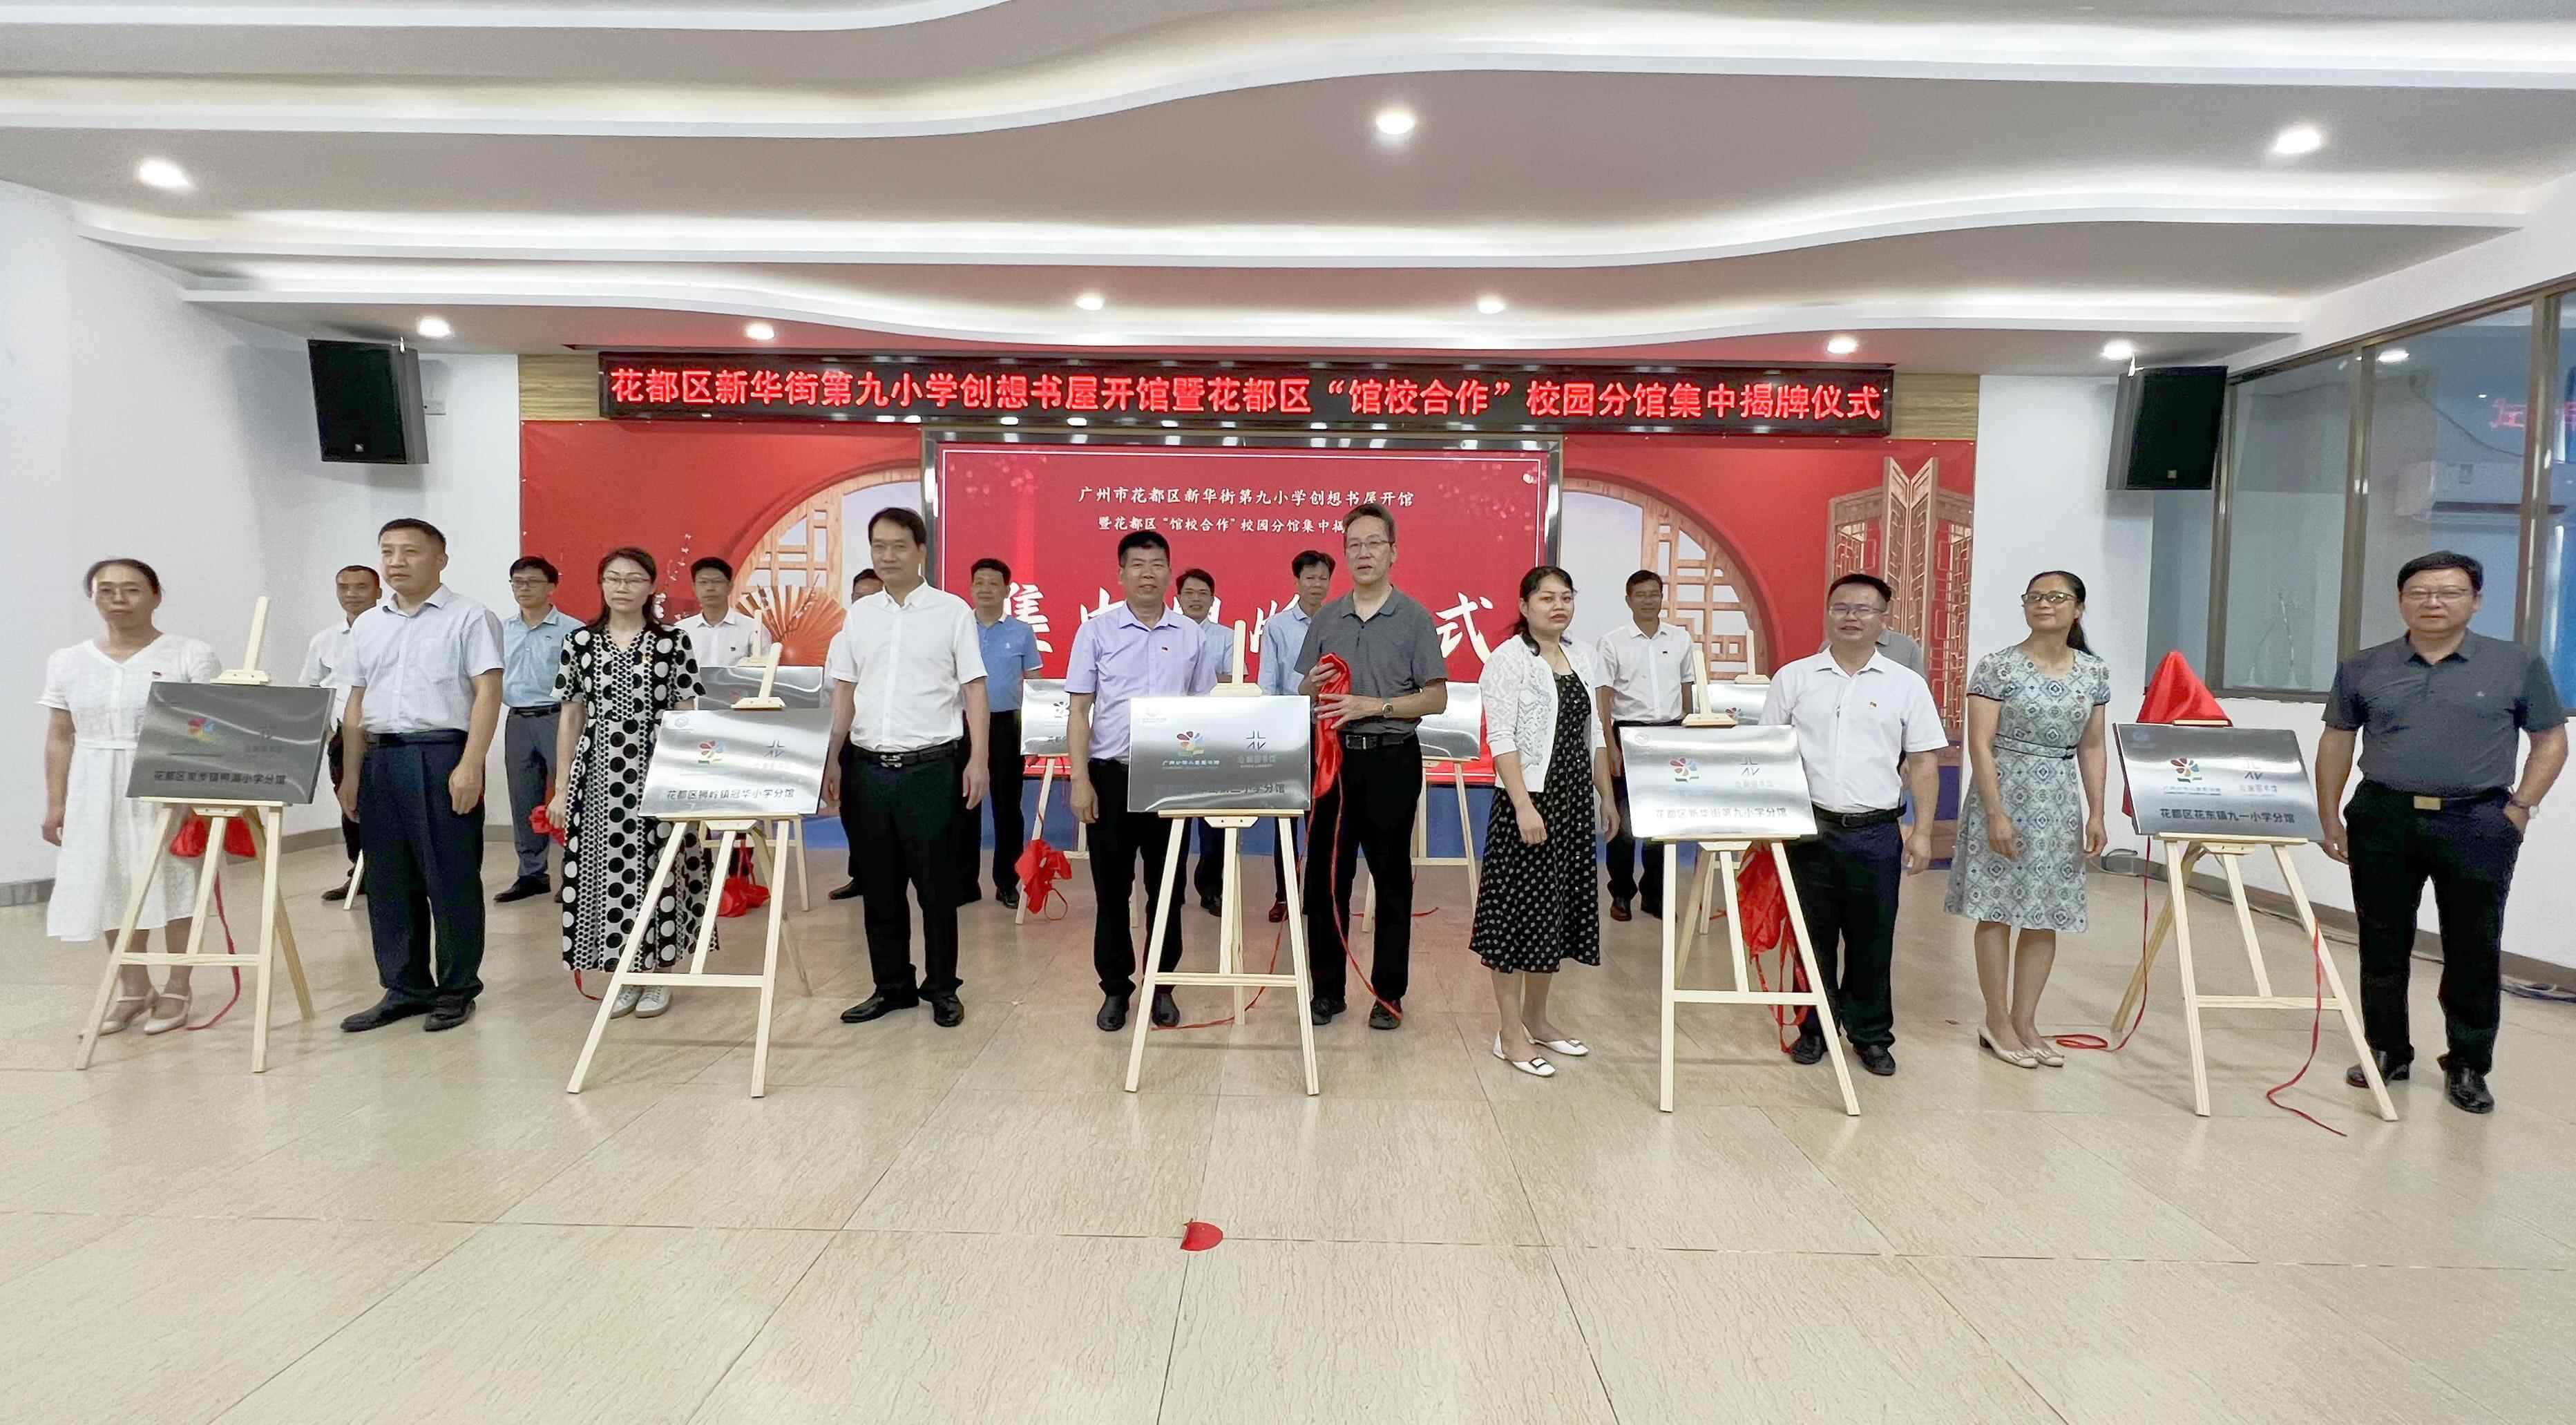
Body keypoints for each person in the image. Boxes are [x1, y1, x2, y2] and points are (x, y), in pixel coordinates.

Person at [2320, 551, 2566, 1115]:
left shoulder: (2515, 663)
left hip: (2476, 820)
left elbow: (2550, 738)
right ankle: (2386, 1049)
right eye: (2419, 592)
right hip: (2383, 815)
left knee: (2472, 945)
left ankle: (2468, 1064)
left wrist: (2520, 806)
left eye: (2450, 592)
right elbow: (2337, 737)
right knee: (2381, 939)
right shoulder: (2363, 666)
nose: (2433, 602)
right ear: (2400, 600)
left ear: (2475, 601)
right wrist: (2329, 815)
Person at [1760, 573, 1945, 1077]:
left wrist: (1923, 832)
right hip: (1808, 829)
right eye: (1841, 607)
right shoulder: (1794, 678)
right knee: (1810, 937)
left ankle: (1871, 1035)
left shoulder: (1905, 685)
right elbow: (1768, 753)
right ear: (1827, 613)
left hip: (1876, 832)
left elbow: (1923, 761)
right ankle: (1813, 1030)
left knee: (1872, 939)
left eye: (1864, 609)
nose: (1851, 617)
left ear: (1883, 620)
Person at [337, 518, 506, 1033]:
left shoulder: (470, 617)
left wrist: (471, 763)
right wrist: (351, 772)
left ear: (440, 559)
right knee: (388, 880)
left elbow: (488, 692)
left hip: (441, 754)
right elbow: (356, 700)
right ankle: (405, 987)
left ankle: (456, 988)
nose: (396, 562)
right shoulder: (369, 624)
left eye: (410, 551)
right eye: (388, 551)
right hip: (381, 758)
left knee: (450, 876)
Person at [824, 508, 989, 1029]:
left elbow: (975, 689)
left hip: (930, 770)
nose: (888, 556)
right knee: (879, 886)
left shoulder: (952, 611)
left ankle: (942, 987)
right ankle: (891, 986)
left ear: (921, 550)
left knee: (937, 888)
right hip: (868, 769)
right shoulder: (860, 615)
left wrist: (979, 759)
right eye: (879, 546)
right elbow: (846, 689)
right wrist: (832, 756)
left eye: (898, 546)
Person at [42, 558, 221, 1036]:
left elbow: (210, 727)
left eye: (131, 589)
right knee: (113, 881)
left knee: (177, 882)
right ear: (93, 598)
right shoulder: (68, 661)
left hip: (167, 784)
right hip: (95, 785)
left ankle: (179, 986)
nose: (118, 599)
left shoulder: (190, 654)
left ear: (156, 595)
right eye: (106, 590)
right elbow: (60, 734)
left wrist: (194, 786)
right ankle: (134, 987)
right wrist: (56, 802)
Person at [1946, 571, 2110, 1070]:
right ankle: (1996, 1020)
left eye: (2057, 597)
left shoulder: (2093, 672)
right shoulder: (1997, 666)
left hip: (2059, 803)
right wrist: (1995, 813)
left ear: (2077, 609)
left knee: (2045, 913)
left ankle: (2026, 1020)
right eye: (2035, 597)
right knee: (1996, 909)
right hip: (2002, 791)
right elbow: (1979, 744)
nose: (2044, 604)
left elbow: (2092, 745)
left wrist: (2097, 811)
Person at [1296, 502, 1449, 1030]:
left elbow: (1435, 699)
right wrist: (1312, 684)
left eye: (1373, 543)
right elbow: (1304, 688)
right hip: (1331, 762)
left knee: (1390, 879)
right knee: (1325, 880)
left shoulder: (1414, 618)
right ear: (1345, 554)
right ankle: (1326, 991)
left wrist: (1373, 705)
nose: (1363, 553)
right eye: (1354, 545)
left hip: (1390, 760)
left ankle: (1388, 993)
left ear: (1392, 552)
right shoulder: (1326, 618)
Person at [1067, 529, 1222, 1031]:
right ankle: (1115, 989)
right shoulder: (1097, 632)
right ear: (1121, 574)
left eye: (1157, 565)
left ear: (1169, 572)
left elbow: (1202, 710)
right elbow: (1079, 711)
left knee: (1168, 889)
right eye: (1137, 565)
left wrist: (1199, 779)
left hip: (1170, 778)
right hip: (1110, 777)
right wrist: (1080, 779)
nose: (1147, 574)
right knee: (1112, 891)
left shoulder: (1191, 635)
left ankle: (1162, 985)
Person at [546, 548, 709, 1019]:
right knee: (607, 873)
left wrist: (688, 781)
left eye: (634, 579)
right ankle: (626, 972)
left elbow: (686, 713)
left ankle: (660, 974)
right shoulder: (579, 642)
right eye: (613, 578)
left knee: (660, 869)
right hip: (597, 774)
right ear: (601, 584)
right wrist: (562, 788)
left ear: (651, 586)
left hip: (659, 769)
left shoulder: (673, 641)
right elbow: (570, 716)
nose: (622, 587)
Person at [1472, 567, 1614, 1078]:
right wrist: (1523, 805)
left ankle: (1537, 1018)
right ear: (1524, 605)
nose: (1558, 606)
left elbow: (1593, 732)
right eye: (1547, 598)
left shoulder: (1583, 656)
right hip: (1527, 804)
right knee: (1516, 920)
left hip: (1572, 804)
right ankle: (1509, 1031)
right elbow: (1501, 738)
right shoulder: (1507, 659)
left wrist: (1606, 796)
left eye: (1566, 598)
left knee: (1553, 915)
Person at [1594, 568, 1693, 922]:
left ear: (1662, 597)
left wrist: (1690, 734)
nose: (1649, 601)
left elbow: (1687, 689)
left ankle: (1656, 895)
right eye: (1641, 595)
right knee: (1622, 822)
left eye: (1655, 594)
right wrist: (1610, 746)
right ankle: (1621, 893)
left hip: (1671, 735)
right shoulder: (1613, 642)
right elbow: (1603, 698)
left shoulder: (1680, 638)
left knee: (1663, 823)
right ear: (1628, 600)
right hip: (1628, 735)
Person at [497, 556, 580, 904]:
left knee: (572, 797)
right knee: (523, 797)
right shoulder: (501, 630)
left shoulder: (572, 630)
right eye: (517, 582)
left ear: (551, 587)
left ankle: (576, 874)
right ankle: (532, 874)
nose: (523, 588)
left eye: (532, 582)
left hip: (558, 718)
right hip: (517, 719)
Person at [961, 556, 1043, 909]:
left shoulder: (1021, 632)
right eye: (979, 582)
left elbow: (1035, 685)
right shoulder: (958, 628)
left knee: (1008, 808)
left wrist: (1037, 733)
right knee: (964, 805)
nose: (986, 589)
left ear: (1007, 590)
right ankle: (964, 883)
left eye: (994, 583)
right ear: (971, 587)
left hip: (1007, 726)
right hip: (962, 726)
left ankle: (1007, 883)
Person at [1257, 550, 1335, 923]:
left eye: (1323, 578)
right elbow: (1268, 685)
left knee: (1324, 819)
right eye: (1310, 578)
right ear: (1296, 582)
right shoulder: (1277, 627)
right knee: (1286, 818)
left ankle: (1319, 897)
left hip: (1332, 730)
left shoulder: (1341, 623)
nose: (1316, 585)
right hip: (1291, 730)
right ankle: (1285, 895)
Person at [303, 564, 379, 902]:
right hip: (342, 737)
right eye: (344, 587)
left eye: (361, 587)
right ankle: (360, 874)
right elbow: (311, 690)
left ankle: (397, 874)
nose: (351, 594)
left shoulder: (390, 632)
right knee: (351, 805)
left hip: (384, 735)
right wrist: (326, 736)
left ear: (378, 592)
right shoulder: (324, 641)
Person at [1176, 566, 1234, 914]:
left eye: (1203, 594)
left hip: (1214, 732)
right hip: (1172, 734)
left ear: (1213, 600)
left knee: (1214, 819)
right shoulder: (1166, 633)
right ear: (1178, 597)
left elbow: (1231, 680)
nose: (1196, 599)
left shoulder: (1226, 637)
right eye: (1190, 593)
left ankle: (1211, 889)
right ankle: (1171, 889)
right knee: (1174, 815)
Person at [828, 569, 887, 899]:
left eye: (871, 597)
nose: (863, 603)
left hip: (883, 737)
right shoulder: (841, 640)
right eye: (858, 597)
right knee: (851, 810)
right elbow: (835, 690)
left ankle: (888, 875)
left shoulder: (898, 636)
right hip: (849, 735)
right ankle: (861, 875)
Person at [674, 556, 774, 674]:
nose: (710, 588)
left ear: (730, 586)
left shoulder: (753, 629)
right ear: (694, 588)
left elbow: (765, 674)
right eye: (703, 582)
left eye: (717, 582)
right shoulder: (681, 630)